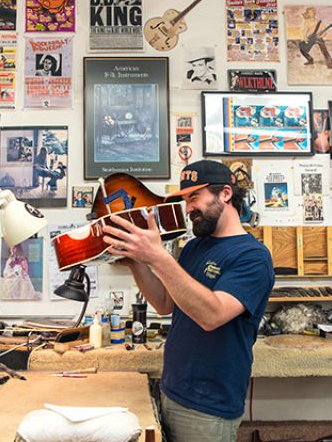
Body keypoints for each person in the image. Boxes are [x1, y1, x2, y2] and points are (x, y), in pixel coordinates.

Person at [101, 160, 274, 442]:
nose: (188, 207)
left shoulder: (253, 257)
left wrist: (158, 256)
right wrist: (137, 263)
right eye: (184, 199)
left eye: (195, 196)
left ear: (225, 194)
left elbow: (212, 315)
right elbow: (165, 304)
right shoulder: (194, 246)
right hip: (172, 390)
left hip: (209, 404)